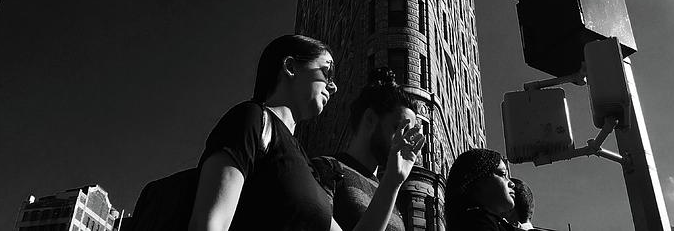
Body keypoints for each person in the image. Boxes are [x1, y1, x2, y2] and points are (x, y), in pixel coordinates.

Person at [188, 34, 424, 231]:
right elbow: (209, 224)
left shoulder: (306, 165)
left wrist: (393, 180)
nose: (334, 86)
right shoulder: (253, 119)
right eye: (327, 72)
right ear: (291, 67)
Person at [313, 68, 419, 231]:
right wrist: (391, 183)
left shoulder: (393, 199)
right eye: (398, 129)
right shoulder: (326, 169)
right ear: (370, 119)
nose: (404, 141)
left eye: (409, 135)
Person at [444, 148, 516, 230]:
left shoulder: (494, 223)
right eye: (503, 174)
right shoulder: (476, 223)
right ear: (478, 180)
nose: (512, 184)